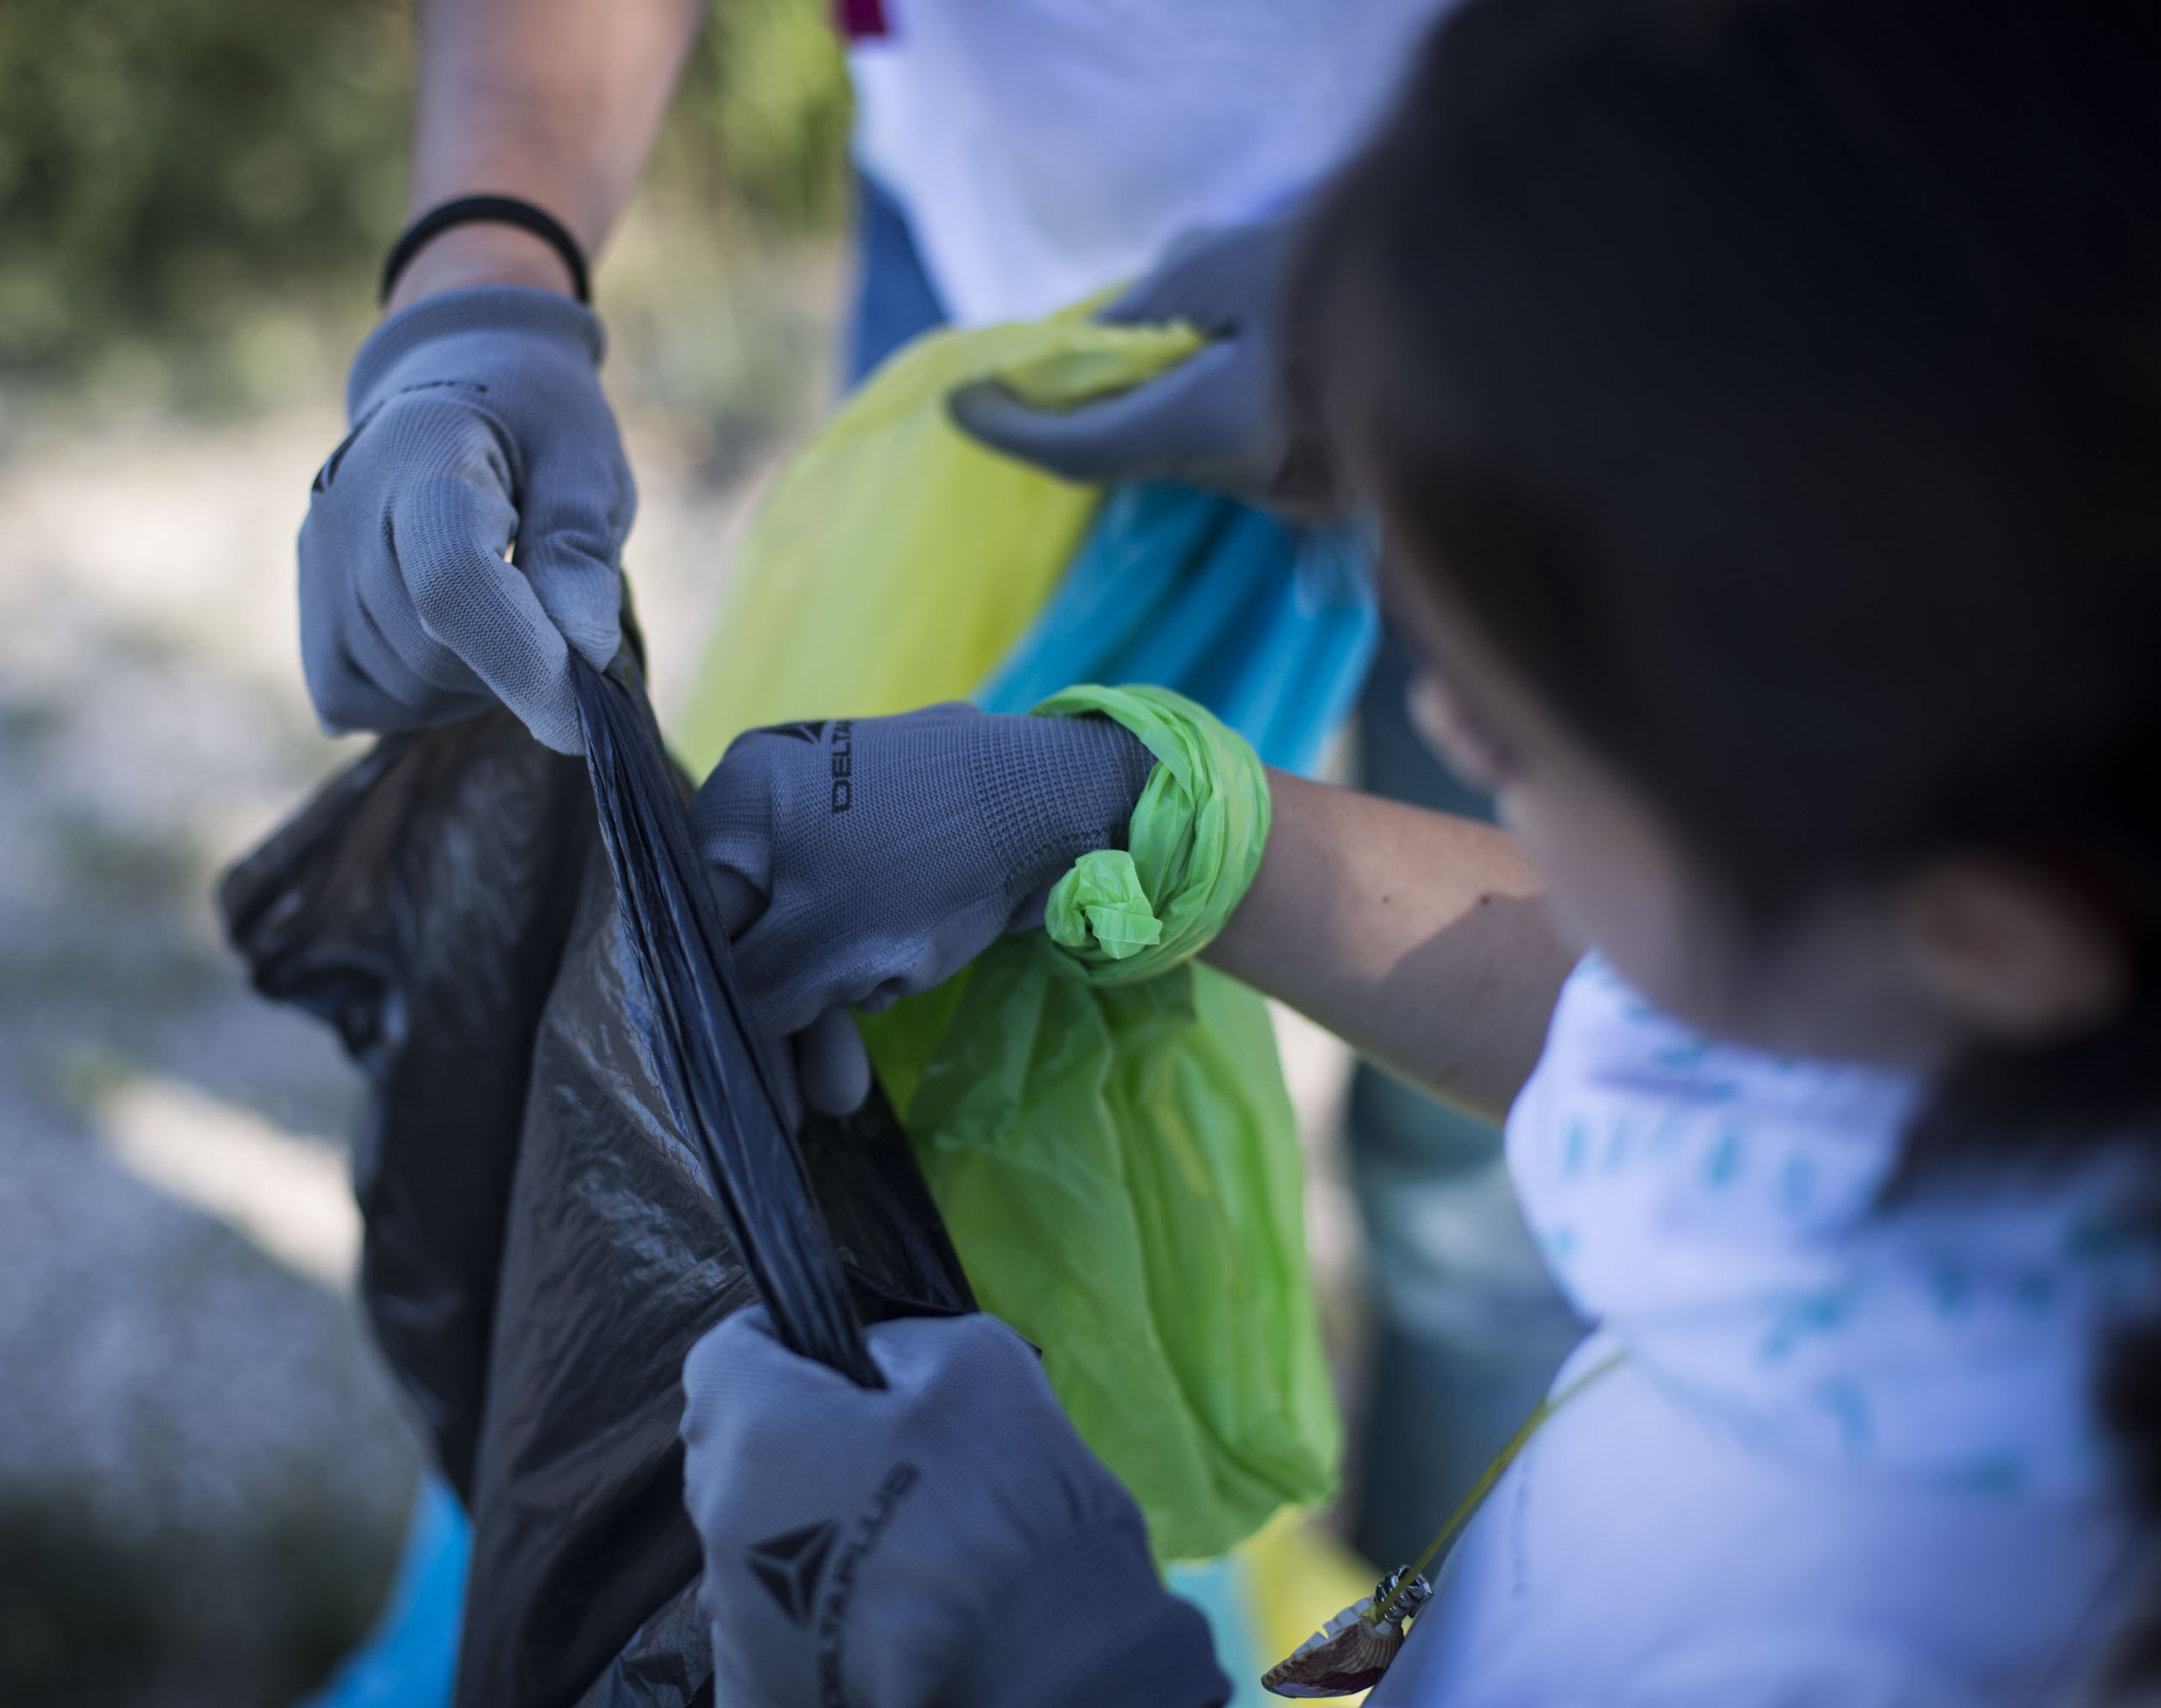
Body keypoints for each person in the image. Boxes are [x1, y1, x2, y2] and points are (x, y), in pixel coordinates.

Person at [674, 0, 2161, 1700]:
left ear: (2000, 929)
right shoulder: (1976, 1050)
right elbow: (1676, 1033)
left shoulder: (1901, 1642)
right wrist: (1139, 812)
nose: (1444, 722)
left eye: (1529, 739)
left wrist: (1059, 1660)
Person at [297, 0, 1573, 1585]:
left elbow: (1645, 1028)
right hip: (985, 234)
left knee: (1497, 1196)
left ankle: (1463, 1622)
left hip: (1598, 304)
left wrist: (1463, 271)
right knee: (896, 1065)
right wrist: (482, 286)